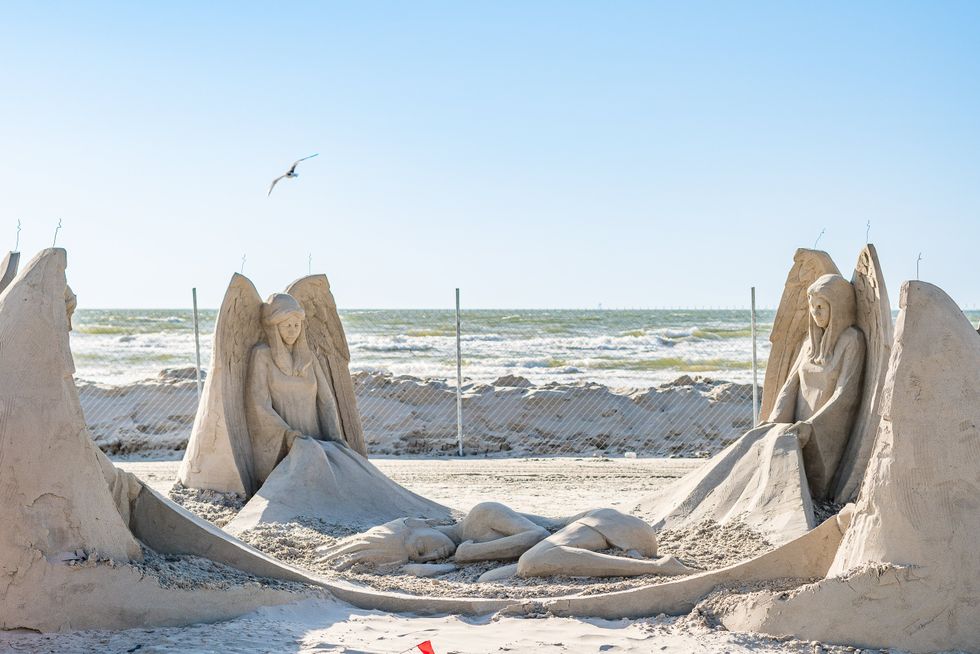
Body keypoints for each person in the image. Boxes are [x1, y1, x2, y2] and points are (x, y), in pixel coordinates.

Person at [318, 502, 696, 579]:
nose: (432, 554)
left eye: (421, 547)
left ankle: (658, 568)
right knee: (522, 568)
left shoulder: (480, 516)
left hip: (607, 523)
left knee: (533, 561)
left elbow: (534, 537)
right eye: (425, 558)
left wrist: (472, 554)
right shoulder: (455, 547)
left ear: (419, 523)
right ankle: (630, 560)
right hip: (604, 540)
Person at [246, 293, 345, 485]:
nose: (292, 331)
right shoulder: (262, 356)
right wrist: (288, 434)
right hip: (284, 442)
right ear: (275, 327)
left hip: (316, 441)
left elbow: (326, 402)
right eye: (286, 325)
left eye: (296, 325)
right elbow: (259, 405)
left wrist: (335, 439)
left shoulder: (309, 359)